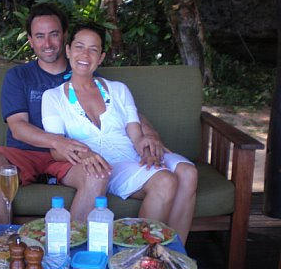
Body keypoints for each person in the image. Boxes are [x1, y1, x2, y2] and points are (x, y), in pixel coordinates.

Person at [0, 3, 165, 226]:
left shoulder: (83, 69)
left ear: (65, 37)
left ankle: (69, 248)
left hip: (69, 158)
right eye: (40, 36)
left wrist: (151, 134)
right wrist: (59, 142)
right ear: (31, 41)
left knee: (97, 173)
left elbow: (128, 112)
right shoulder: (19, 76)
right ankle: (0, 244)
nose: (48, 43)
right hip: (27, 154)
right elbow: (18, 127)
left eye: (54, 34)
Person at [41, 23, 198, 243]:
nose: (85, 54)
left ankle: (173, 253)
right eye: (79, 47)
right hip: (109, 163)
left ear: (102, 57)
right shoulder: (53, 97)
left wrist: (147, 150)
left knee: (188, 173)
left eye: (93, 49)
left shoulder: (118, 89)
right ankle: (140, 256)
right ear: (68, 50)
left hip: (132, 153)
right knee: (165, 181)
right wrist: (85, 155)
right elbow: (57, 149)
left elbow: (135, 134)